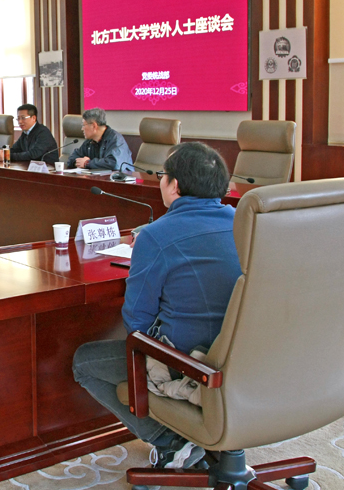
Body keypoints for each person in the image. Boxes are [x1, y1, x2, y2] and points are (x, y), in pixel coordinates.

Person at [71, 142, 242, 471]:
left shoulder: (156, 236)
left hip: (192, 367)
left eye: (163, 175)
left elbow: (137, 322)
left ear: (174, 185)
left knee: (84, 362)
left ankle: (171, 441)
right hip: (246, 361)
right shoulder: (245, 225)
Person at [66, 108, 133, 171]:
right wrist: (78, 163)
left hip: (120, 178)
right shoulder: (90, 141)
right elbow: (72, 158)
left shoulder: (116, 139)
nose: (82, 129)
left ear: (94, 126)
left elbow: (114, 164)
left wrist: (87, 163)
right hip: (99, 178)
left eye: (83, 125)